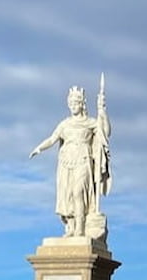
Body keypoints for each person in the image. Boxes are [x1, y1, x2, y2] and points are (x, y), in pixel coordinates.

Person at [30, 83, 111, 237]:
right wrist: (39, 148)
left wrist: (102, 112)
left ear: (82, 104)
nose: (73, 106)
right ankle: (72, 227)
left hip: (83, 159)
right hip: (66, 161)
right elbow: (52, 139)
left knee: (78, 191)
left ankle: (80, 228)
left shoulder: (90, 122)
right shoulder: (65, 124)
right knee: (68, 195)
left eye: (76, 103)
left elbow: (105, 132)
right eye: (71, 103)